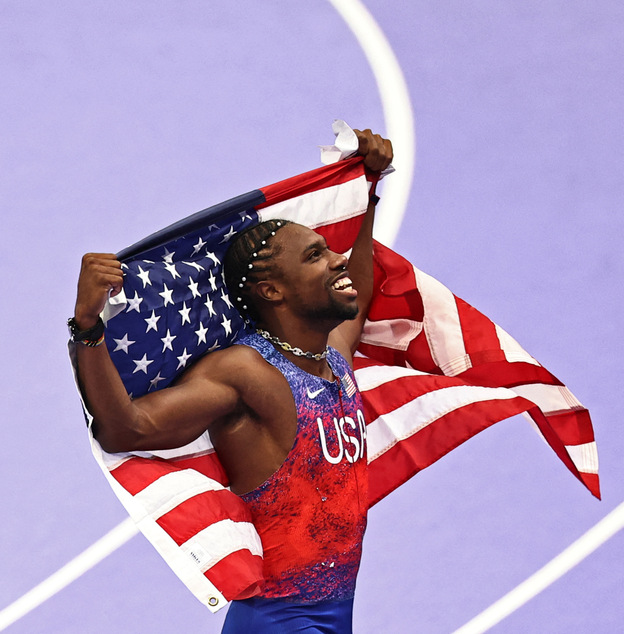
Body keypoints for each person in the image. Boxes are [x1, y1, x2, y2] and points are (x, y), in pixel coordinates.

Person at [70, 129, 394, 633]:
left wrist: (366, 190)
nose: (337, 260)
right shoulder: (246, 373)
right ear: (271, 289)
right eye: (314, 256)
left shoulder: (332, 355)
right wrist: (88, 327)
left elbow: (359, 289)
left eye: (329, 250)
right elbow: (126, 430)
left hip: (335, 615)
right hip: (278, 621)